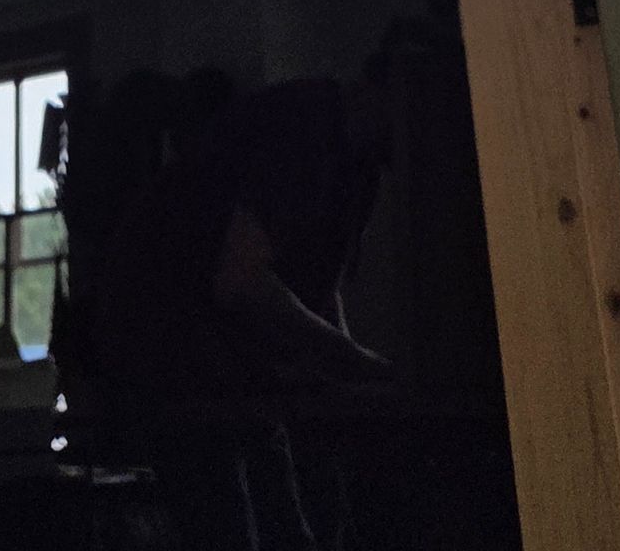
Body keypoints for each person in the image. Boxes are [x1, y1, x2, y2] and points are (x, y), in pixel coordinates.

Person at [95, 42, 408, 550]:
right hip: (164, 328)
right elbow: (239, 281)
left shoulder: (363, 170)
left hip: (227, 344)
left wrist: (352, 373)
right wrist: (349, 358)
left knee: (295, 515)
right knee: (232, 518)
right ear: (373, 92)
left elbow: (318, 294)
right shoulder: (302, 128)